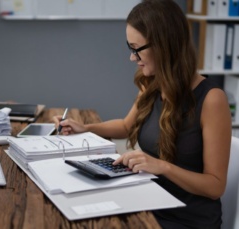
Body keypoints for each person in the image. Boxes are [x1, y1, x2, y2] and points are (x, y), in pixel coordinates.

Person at [53, 0, 232, 228]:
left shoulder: (212, 99)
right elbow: (127, 126)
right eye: (130, 48)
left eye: (137, 49)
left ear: (164, 45)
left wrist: (162, 166)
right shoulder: (152, 84)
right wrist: (86, 128)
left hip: (186, 220)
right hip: (149, 203)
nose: (132, 57)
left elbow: (215, 186)